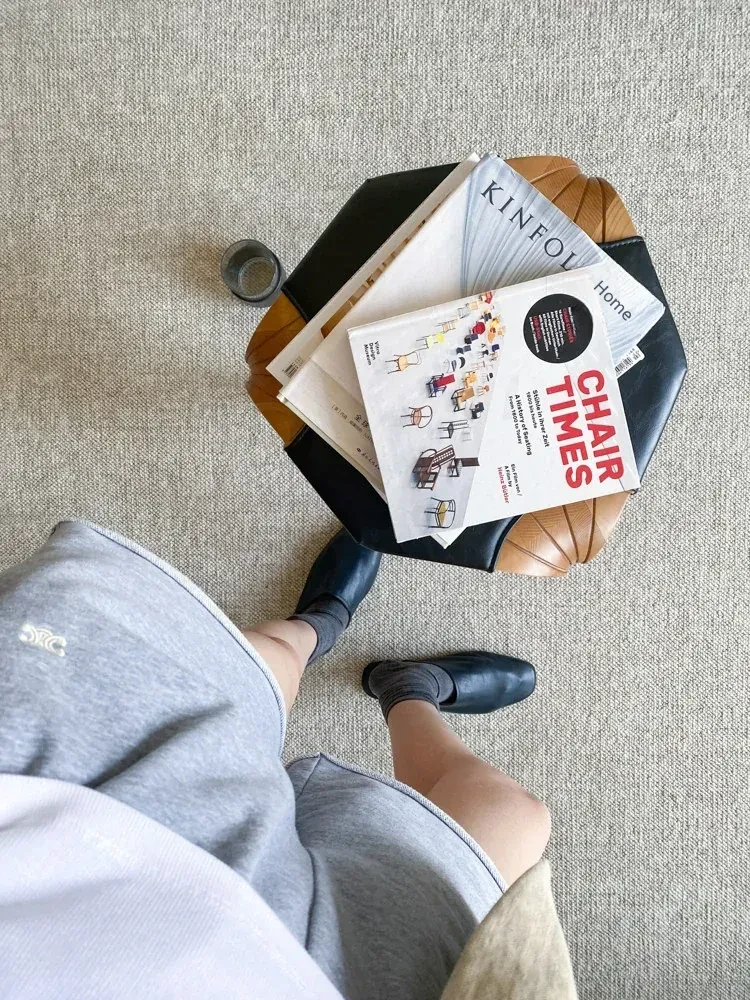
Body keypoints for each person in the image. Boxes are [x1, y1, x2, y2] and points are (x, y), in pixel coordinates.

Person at [0, 520, 555, 1000]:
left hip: (66, 840)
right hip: (325, 974)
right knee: (515, 816)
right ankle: (408, 688)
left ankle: (314, 627)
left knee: (252, 676)